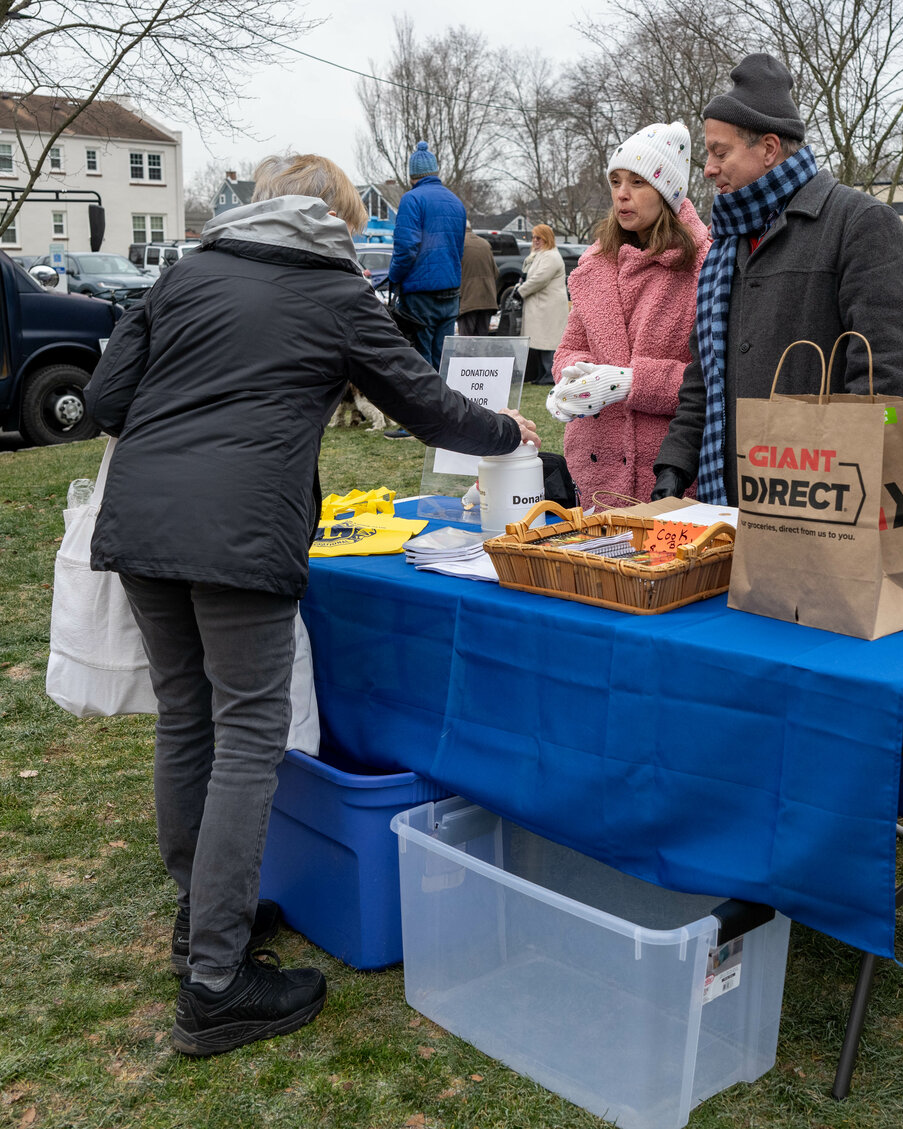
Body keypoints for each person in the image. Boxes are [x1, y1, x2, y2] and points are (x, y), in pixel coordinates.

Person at [83, 153, 537, 1057]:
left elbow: (105, 399)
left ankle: (199, 919)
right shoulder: (336, 293)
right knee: (249, 733)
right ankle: (215, 981)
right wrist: (508, 432)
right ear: (333, 218)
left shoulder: (185, 273)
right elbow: (426, 406)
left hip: (142, 521)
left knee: (188, 718)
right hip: (239, 532)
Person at [651, 53, 903, 505]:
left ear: (769, 148)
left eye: (720, 153)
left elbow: (882, 373)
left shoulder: (861, 222)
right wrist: (674, 469)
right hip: (731, 495)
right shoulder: (725, 242)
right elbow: (703, 375)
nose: (708, 168)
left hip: (819, 493)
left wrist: (832, 479)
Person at [548, 121, 710, 507]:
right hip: (595, 466)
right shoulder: (593, 264)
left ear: (667, 192)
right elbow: (570, 347)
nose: (622, 194)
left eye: (637, 183)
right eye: (616, 181)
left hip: (669, 470)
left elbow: (713, 379)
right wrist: (573, 375)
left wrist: (632, 381)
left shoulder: (702, 267)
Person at [387, 141, 467, 370]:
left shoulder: (412, 200)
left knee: (421, 361)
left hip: (420, 294)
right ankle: (447, 404)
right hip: (450, 291)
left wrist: (394, 277)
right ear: (435, 171)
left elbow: (406, 248)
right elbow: (459, 250)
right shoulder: (455, 202)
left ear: (412, 175)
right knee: (444, 360)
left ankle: (424, 406)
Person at [518, 223, 568, 385]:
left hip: (549, 307)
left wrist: (520, 291)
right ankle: (541, 374)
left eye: (538, 237)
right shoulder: (540, 255)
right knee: (539, 342)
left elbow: (539, 279)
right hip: (541, 306)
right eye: (533, 237)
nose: (535, 240)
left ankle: (550, 374)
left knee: (548, 342)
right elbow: (528, 275)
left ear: (547, 238)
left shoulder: (551, 256)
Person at [457, 222, 497, 336]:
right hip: (487, 299)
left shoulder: (459, 243)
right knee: (481, 341)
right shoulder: (485, 243)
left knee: (466, 342)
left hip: (468, 300)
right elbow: (496, 272)